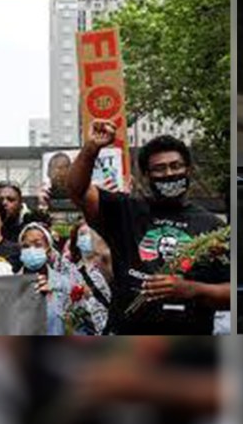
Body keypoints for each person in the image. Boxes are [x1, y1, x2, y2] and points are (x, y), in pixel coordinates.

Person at [67, 129, 230, 335]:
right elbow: (76, 190)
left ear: (188, 170)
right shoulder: (124, 211)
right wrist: (91, 148)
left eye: (176, 166)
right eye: (159, 169)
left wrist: (193, 290)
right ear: (146, 176)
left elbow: (234, 293)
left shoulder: (212, 226)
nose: (169, 173)